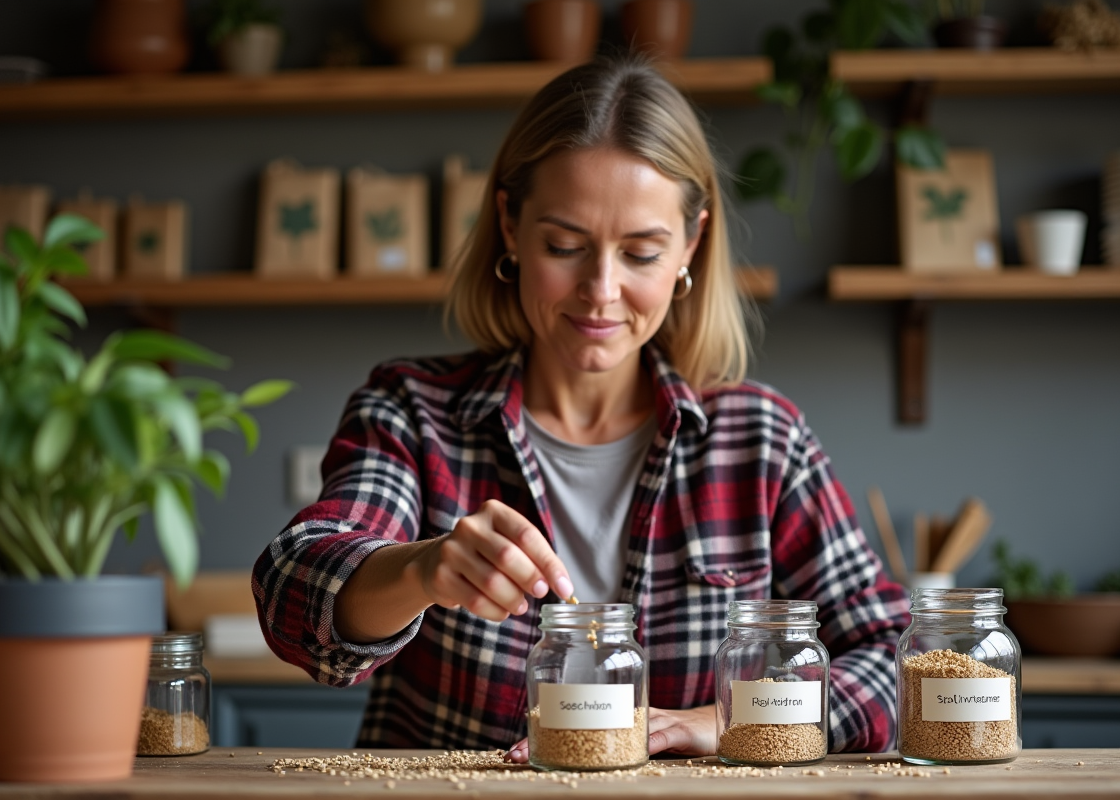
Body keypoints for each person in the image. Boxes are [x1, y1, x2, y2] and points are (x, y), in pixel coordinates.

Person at [252, 55, 910, 759]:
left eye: (641, 253)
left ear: (691, 243)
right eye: (564, 245)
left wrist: (723, 722)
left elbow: (897, 661)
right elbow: (296, 589)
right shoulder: (413, 412)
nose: (600, 290)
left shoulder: (762, 440)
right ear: (509, 223)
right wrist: (421, 570)